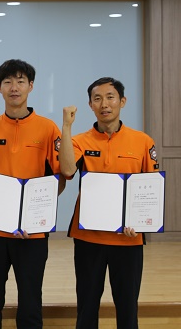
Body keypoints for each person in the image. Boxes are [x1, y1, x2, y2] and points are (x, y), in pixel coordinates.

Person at [0, 59, 64, 329]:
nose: (14, 87)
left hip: (32, 233)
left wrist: (38, 210)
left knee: (31, 303)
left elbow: (61, 176)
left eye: (20, 81)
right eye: (8, 82)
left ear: (31, 86)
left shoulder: (48, 128)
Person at [60, 77, 157, 329]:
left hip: (128, 239)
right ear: (90, 105)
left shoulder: (143, 141)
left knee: (127, 308)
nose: (104, 104)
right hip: (88, 238)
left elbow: (151, 188)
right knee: (87, 307)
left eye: (110, 97)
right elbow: (67, 170)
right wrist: (66, 127)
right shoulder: (80, 141)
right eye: (97, 98)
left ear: (122, 102)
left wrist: (140, 223)